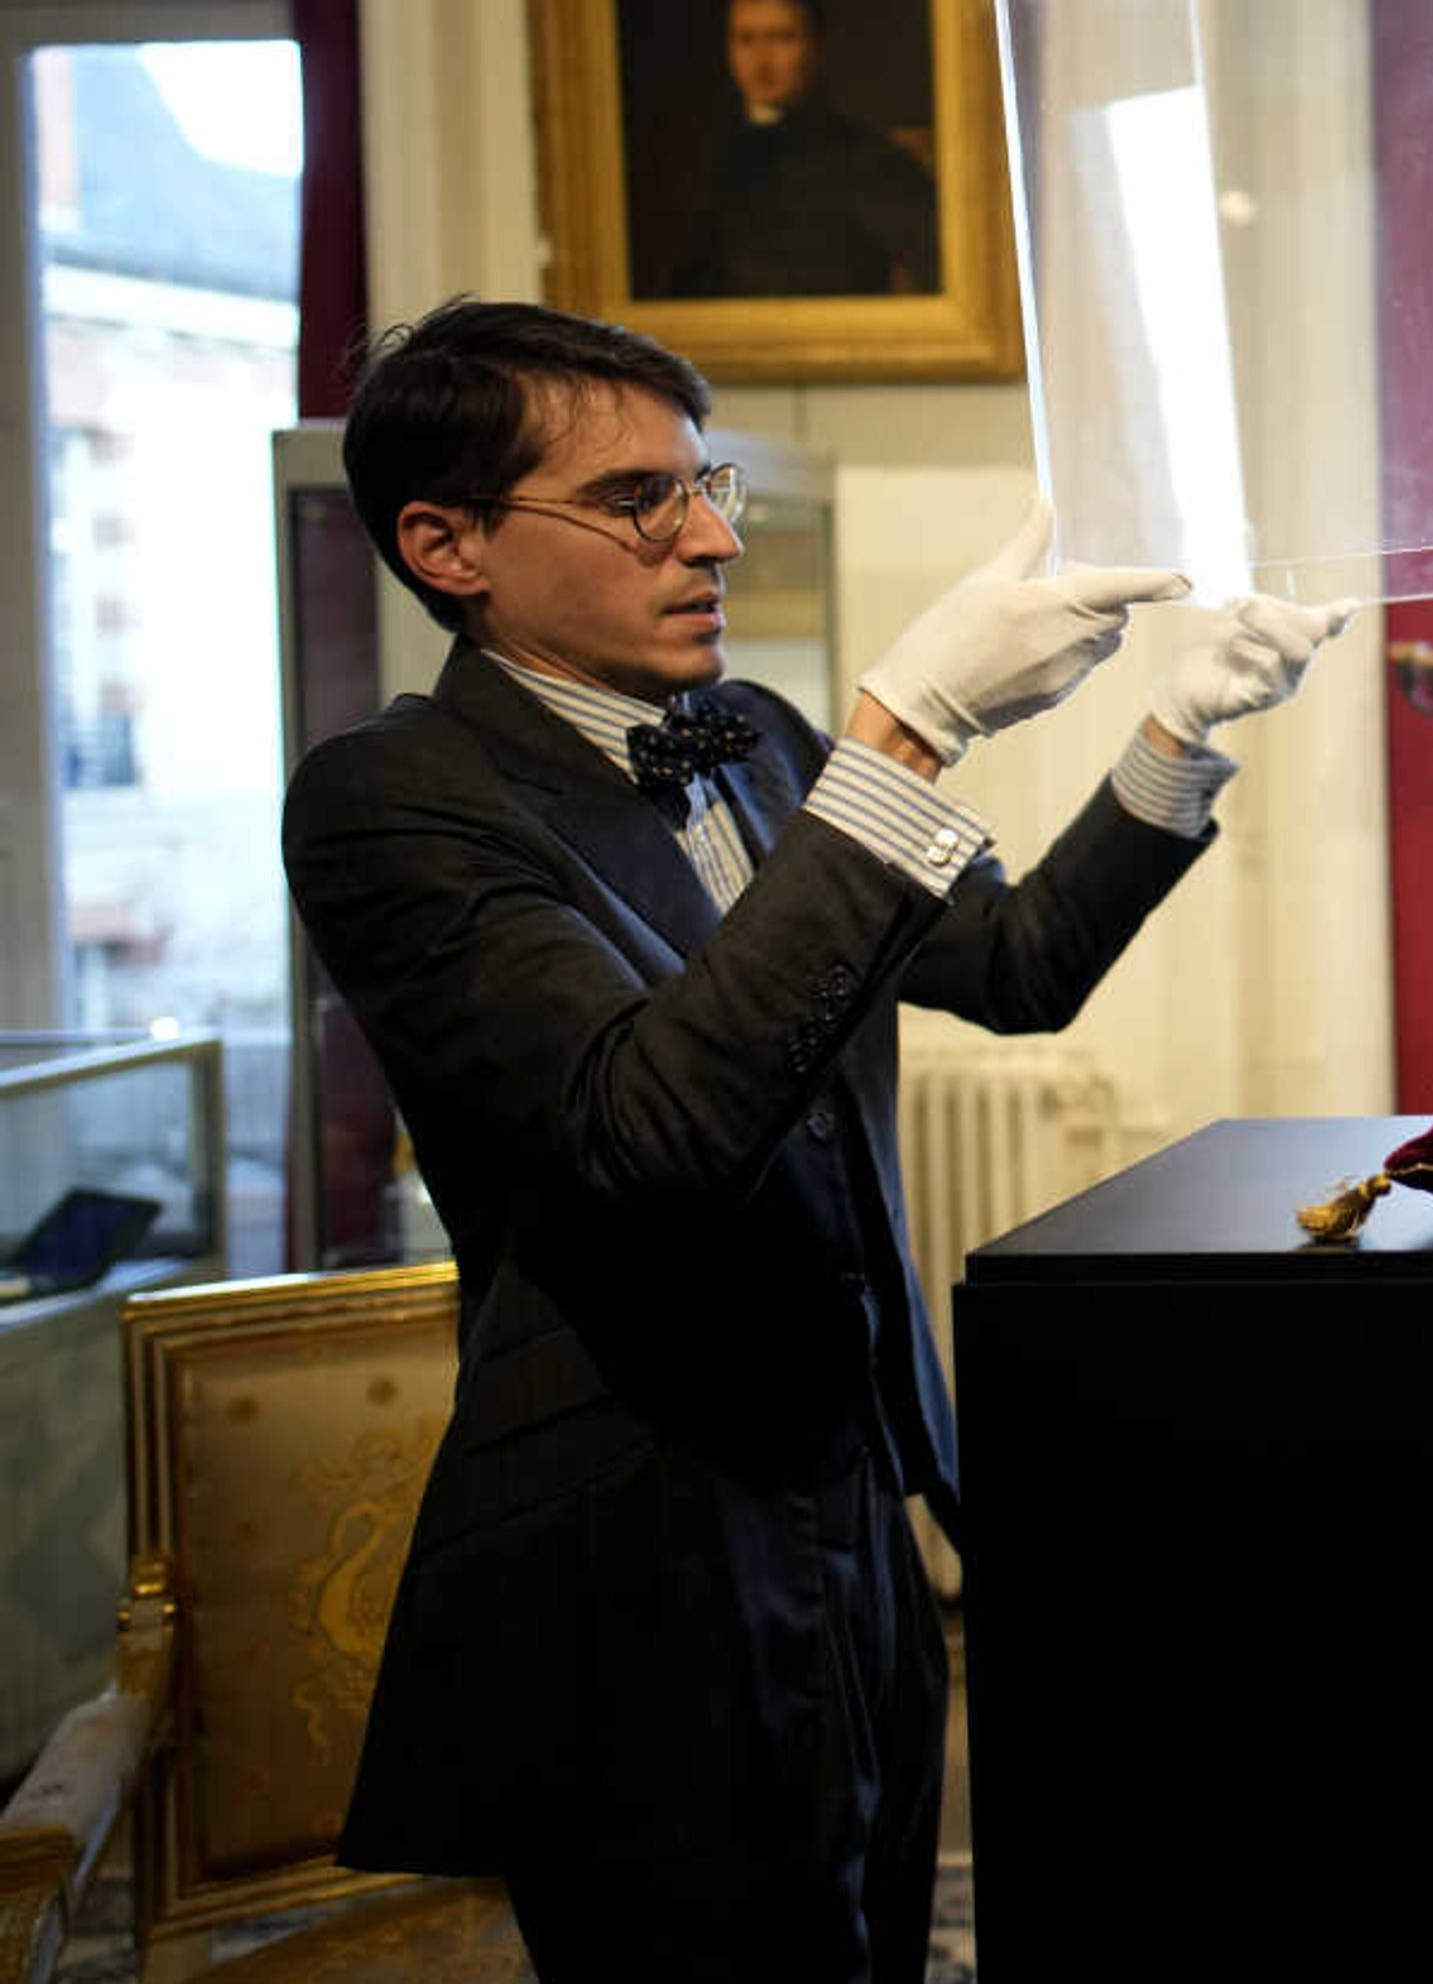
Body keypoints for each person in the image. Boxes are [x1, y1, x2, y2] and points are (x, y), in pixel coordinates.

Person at [285, 297, 1348, 1981]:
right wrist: (911, 734)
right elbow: (651, 1128)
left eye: (706, 483)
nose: (710, 533)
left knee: (868, 1941)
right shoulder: (390, 798)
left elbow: (1014, 968)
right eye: (640, 499)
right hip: (640, 1542)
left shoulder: (765, 745)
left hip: (858, 1484)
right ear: (448, 543)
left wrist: (1174, 740)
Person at [661, 0, 941, 299]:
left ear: (817, 48)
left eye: (781, 38)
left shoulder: (866, 159)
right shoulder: (697, 160)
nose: (761, 62)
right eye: (746, 40)